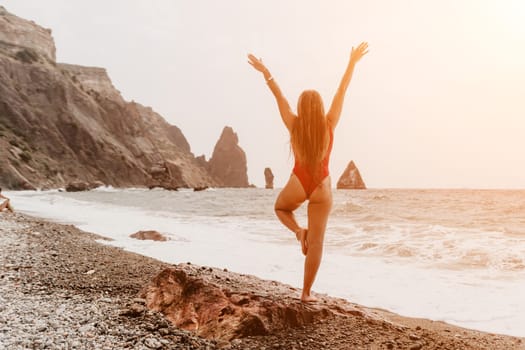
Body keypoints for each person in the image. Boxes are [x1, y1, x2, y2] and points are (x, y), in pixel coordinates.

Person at [248, 42, 368, 302]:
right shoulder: (330, 123)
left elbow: (279, 96)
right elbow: (342, 89)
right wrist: (352, 63)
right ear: (320, 106)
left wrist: (265, 71)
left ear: (302, 107)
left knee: (281, 209)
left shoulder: (294, 124)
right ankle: (305, 293)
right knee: (317, 242)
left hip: (299, 182)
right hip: (322, 186)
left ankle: (298, 231)